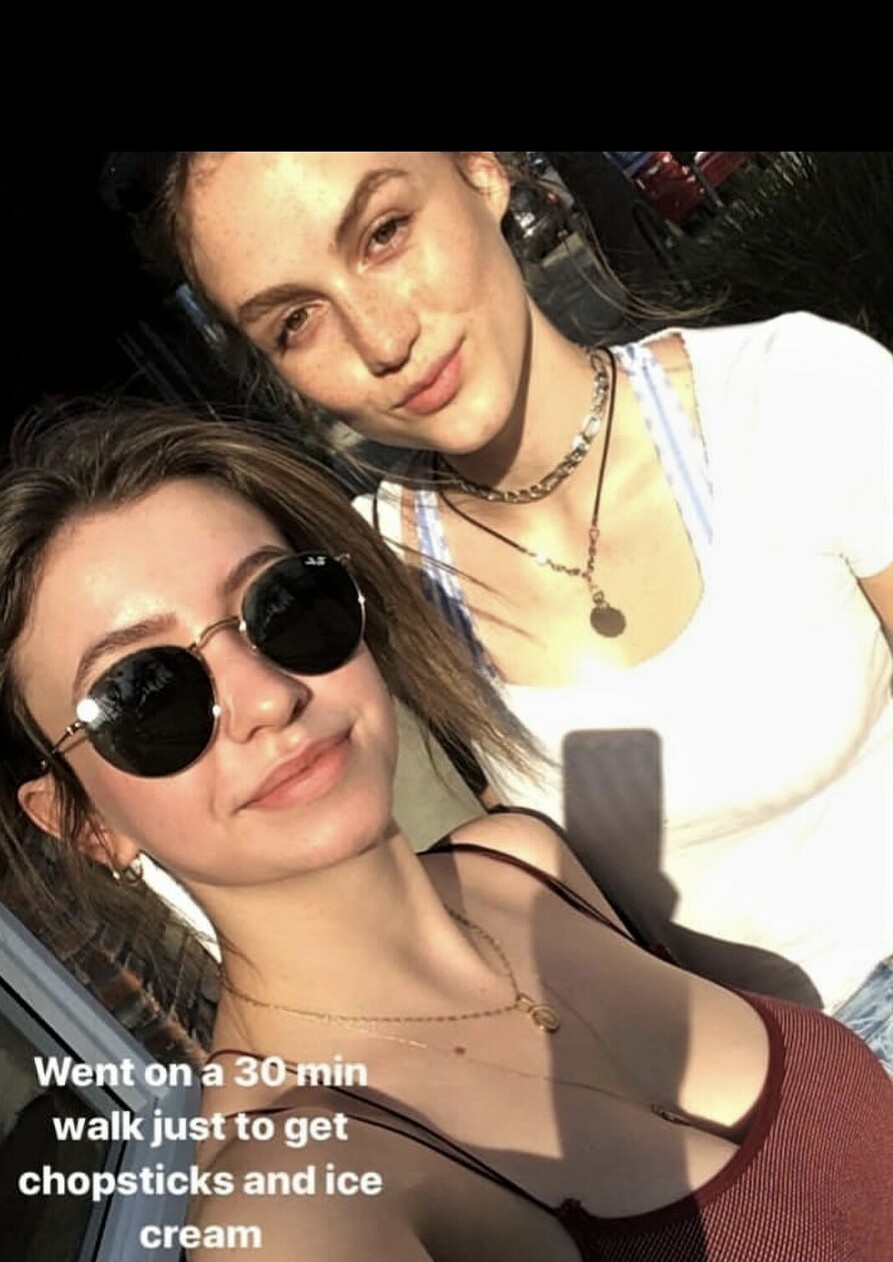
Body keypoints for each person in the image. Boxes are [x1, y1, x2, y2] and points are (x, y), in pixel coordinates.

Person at [0, 400, 892, 1262]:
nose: (268, 696)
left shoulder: (525, 864)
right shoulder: (290, 1210)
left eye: (281, 605)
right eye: (146, 694)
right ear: (84, 822)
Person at [125, 151, 893, 1065]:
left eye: (384, 233)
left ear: (483, 173)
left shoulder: (791, 394)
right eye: (296, 321)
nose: (382, 338)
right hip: (763, 1081)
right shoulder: (366, 605)